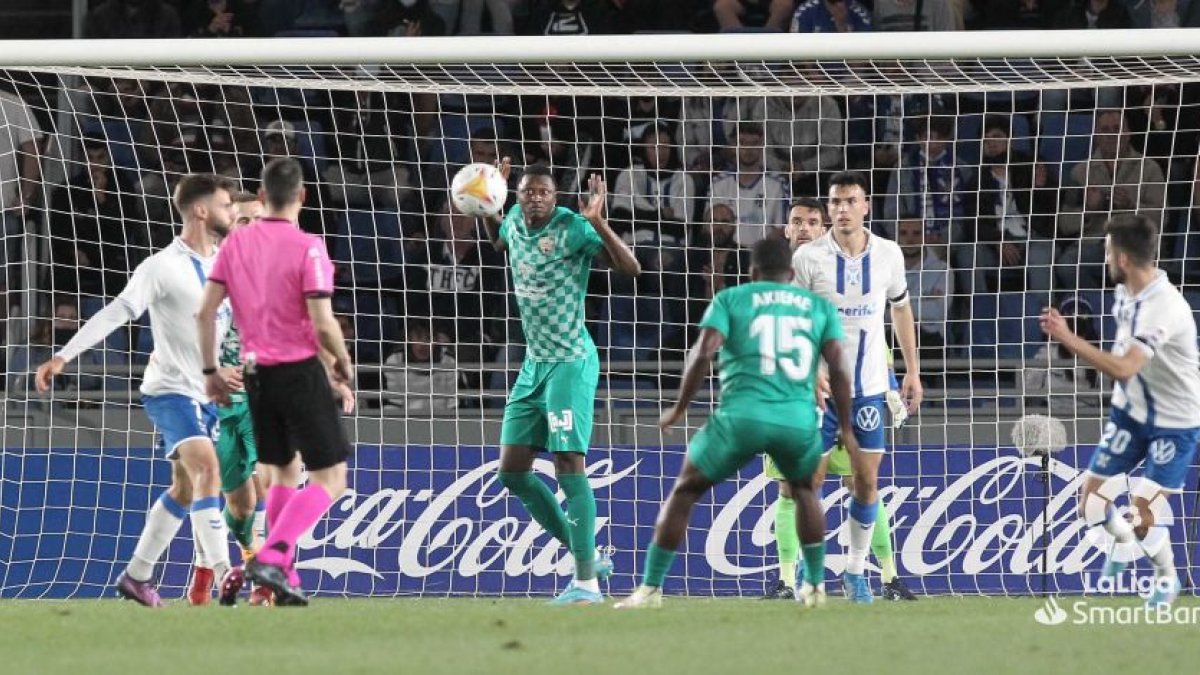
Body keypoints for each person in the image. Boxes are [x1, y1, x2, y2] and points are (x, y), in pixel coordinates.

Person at [615, 238, 857, 609]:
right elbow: (839, 365)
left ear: (752, 272)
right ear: (791, 274)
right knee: (805, 491)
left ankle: (650, 589)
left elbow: (704, 350)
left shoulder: (732, 299)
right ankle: (815, 587)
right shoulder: (818, 307)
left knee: (685, 491)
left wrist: (679, 407)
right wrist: (846, 426)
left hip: (740, 417)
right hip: (796, 419)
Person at [35, 174, 241, 608]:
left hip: (205, 391)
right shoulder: (161, 266)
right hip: (169, 390)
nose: (232, 213)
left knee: (185, 488)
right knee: (209, 470)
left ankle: (137, 575)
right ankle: (226, 573)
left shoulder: (225, 264)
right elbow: (117, 312)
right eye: (226, 205)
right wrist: (64, 355)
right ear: (201, 211)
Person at [479, 159, 641, 605]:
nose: (534, 198)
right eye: (527, 191)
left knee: (568, 462)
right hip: (534, 364)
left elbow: (632, 269)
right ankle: (587, 556)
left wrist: (599, 222)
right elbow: (500, 242)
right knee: (512, 472)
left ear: (555, 198)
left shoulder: (572, 228)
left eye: (543, 193)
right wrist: (490, 202)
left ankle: (586, 584)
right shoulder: (512, 219)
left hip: (571, 360)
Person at [198, 158, 355, 607]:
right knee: (330, 479)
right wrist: (342, 362)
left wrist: (210, 372)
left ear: (262, 198)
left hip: (254, 377)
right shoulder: (309, 246)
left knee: (281, 472)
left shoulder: (235, 246)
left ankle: (279, 578)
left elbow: (206, 312)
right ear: (302, 196)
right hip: (299, 371)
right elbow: (322, 322)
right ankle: (273, 555)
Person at [1039, 214, 1200, 609]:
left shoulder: (1165, 307)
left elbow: (1126, 366)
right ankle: (1124, 541)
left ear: (1124, 258)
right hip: (1132, 414)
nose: (1105, 258)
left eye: (1108, 251)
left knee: (1141, 511)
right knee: (1089, 502)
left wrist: (1067, 338)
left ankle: (1166, 575)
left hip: (1174, 424)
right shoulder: (1127, 291)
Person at [792, 171, 924, 604]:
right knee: (807, 484)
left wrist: (912, 370)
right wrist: (810, 370)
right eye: (835, 202)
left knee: (866, 482)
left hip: (869, 387)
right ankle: (809, 575)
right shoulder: (809, 258)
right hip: (822, 391)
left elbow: (901, 311)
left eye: (850, 201)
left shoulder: (888, 254)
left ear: (866, 206)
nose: (842, 209)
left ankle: (854, 573)